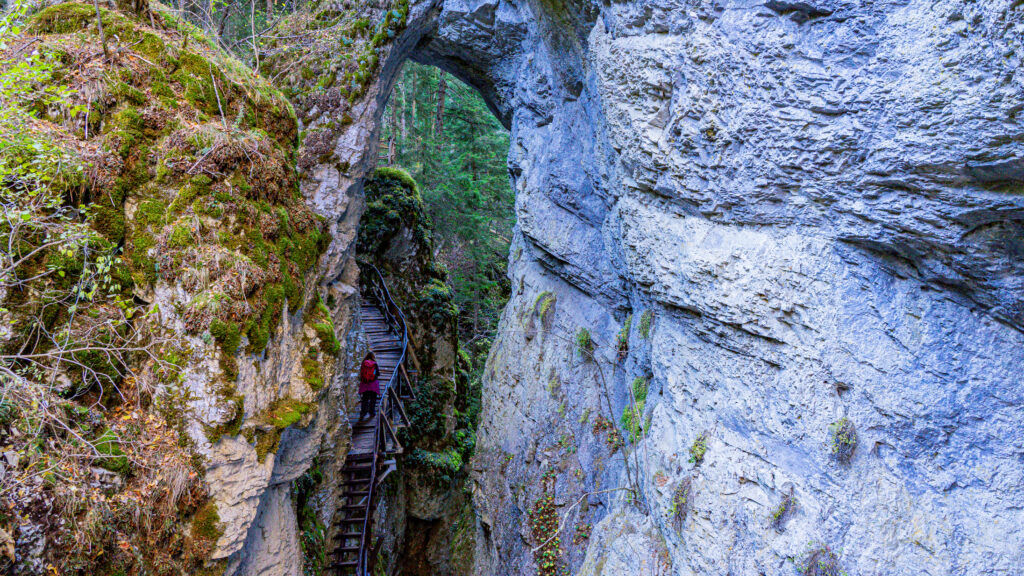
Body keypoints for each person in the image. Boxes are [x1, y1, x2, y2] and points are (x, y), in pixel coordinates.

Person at [358, 352, 380, 421]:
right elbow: (378, 373)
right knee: (373, 399)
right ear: (373, 356)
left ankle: (363, 413)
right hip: (373, 384)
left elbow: (361, 373)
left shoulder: (363, 363)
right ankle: (372, 412)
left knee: (365, 399)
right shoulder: (374, 364)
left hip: (365, 384)